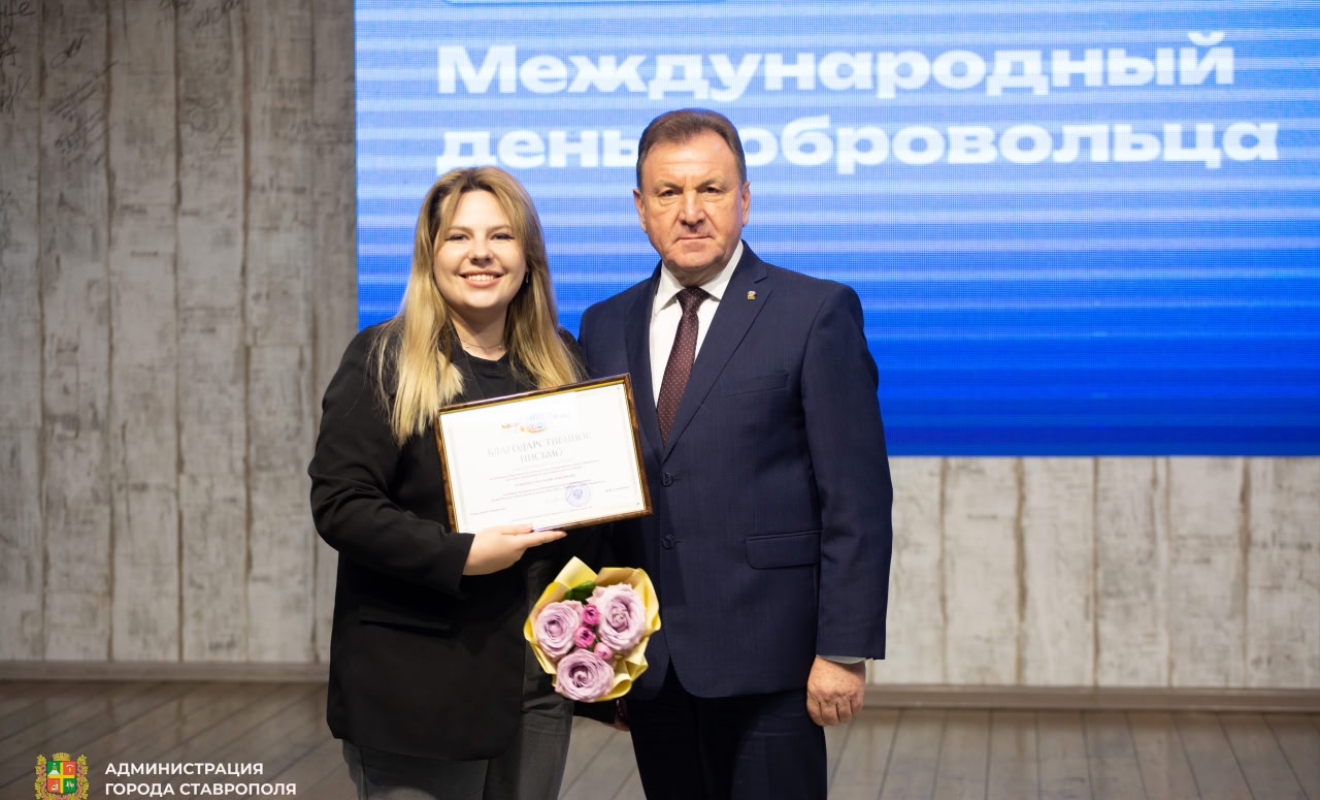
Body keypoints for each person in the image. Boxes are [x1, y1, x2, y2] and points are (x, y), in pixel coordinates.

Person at [577, 109, 893, 799]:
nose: (690, 211)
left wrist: (843, 649)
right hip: (651, 663)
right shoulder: (603, 325)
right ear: (641, 208)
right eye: (668, 192)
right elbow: (601, 503)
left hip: (773, 662)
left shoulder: (815, 312)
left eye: (711, 190)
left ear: (744, 199)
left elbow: (857, 500)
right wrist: (600, 654)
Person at [309, 166, 591, 800]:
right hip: (418, 686)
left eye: (501, 236)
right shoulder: (382, 359)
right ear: (430, 255)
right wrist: (461, 555)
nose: (480, 253)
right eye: (459, 237)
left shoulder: (563, 363)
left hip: (537, 684)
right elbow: (341, 505)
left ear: (528, 256)